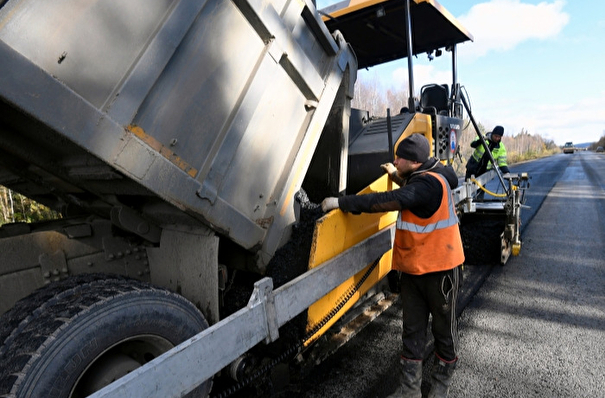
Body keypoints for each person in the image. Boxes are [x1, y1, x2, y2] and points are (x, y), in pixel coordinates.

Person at [321, 134, 464, 398]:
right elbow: (411, 186)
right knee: (412, 331)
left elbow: (385, 200)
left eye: (399, 158)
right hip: (413, 271)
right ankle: (409, 391)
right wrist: (397, 173)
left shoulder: (427, 186)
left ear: (415, 162)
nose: (394, 160)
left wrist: (340, 202)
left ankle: (440, 387)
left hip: (441, 272)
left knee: (444, 332)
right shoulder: (426, 173)